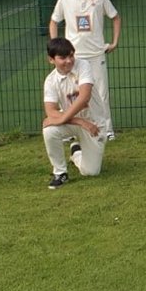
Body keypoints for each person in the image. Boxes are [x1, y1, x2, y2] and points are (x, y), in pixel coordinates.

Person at [49, 0, 120, 141]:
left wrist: (114, 42)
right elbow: (54, 21)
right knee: (70, 95)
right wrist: (55, 46)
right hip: (73, 56)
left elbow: (115, 17)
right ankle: (69, 129)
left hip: (96, 54)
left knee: (101, 93)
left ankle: (106, 129)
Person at [42, 37, 106, 189]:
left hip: (95, 123)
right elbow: (50, 111)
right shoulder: (50, 81)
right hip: (78, 122)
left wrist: (62, 118)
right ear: (51, 60)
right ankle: (60, 172)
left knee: (91, 172)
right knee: (49, 130)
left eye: (71, 55)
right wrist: (79, 121)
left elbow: (84, 98)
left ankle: (76, 152)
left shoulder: (83, 65)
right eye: (63, 58)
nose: (69, 61)